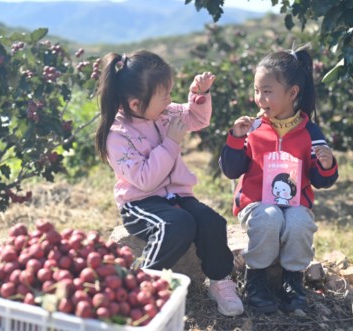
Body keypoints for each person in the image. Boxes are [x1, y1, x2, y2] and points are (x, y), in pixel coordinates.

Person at [95, 50, 244, 317]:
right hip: (141, 202)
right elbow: (145, 179)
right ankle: (142, 285)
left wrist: (198, 97)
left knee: (212, 222)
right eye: (164, 95)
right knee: (178, 224)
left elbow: (198, 118)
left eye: (170, 93)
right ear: (135, 104)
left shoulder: (163, 113)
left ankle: (219, 281)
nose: (170, 101)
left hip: (177, 196)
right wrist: (171, 143)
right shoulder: (118, 135)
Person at [219, 45, 338, 315]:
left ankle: (292, 280)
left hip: (294, 204)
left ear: (293, 93)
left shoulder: (310, 131)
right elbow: (231, 169)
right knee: (270, 215)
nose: (260, 98)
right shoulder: (253, 128)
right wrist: (236, 139)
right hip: (257, 203)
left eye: (268, 91)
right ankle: (256, 278)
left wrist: (327, 164)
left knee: (298, 220)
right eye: (257, 90)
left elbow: (321, 180)